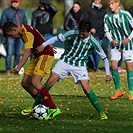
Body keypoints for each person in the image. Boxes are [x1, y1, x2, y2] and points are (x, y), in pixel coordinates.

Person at [25, 19, 111, 120]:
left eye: (83, 34)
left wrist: (108, 74)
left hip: (80, 65)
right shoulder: (73, 33)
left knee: (86, 88)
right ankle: (33, 107)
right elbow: (56, 38)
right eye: (80, 33)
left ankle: (101, 112)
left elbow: (104, 58)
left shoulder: (93, 42)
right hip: (65, 61)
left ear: (89, 32)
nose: (81, 35)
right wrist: (43, 45)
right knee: (49, 82)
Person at [2, 22, 61, 120]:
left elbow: (27, 52)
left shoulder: (26, 33)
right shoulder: (24, 27)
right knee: (25, 83)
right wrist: (47, 43)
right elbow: (39, 34)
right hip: (37, 55)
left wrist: (18, 67)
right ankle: (40, 106)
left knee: (35, 81)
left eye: (11, 35)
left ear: (14, 30)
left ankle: (54, 108)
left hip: (45, 55)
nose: (12, 37)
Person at [104, 0, 133, 100]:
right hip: (115, 45)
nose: (110, 6)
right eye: (109, 4)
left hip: (127, 44)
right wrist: (111, 40)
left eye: (112, 4)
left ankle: (131, 92)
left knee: (129, 66)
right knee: (113, 65)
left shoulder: (126, 14)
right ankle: (118, 90)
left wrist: (128, 39)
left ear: (117, 3)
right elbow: (106, 30)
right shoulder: (107, 16)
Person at [1, 0, 27, 75]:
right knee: (9, 52)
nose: (15, 3)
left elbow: (25, 23)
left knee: (18, 53)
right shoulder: (6, 12)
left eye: (16, 2)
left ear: (19, 3)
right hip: (11, 36)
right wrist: (9, 30)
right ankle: (8, 69)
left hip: (20, 35)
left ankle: (16, 68)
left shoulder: (22, 12)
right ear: (11, 3)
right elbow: (2, 23)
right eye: (13, 2)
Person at [83, 0, 108, 71]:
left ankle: (95, 67)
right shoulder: (89, 9)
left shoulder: (103, 10)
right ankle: (92, 66)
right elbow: (85, 19)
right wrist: (90, 28)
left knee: (97, 50)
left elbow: (105, 21)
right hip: (92, 33)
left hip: (100, 33)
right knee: (90, 49)